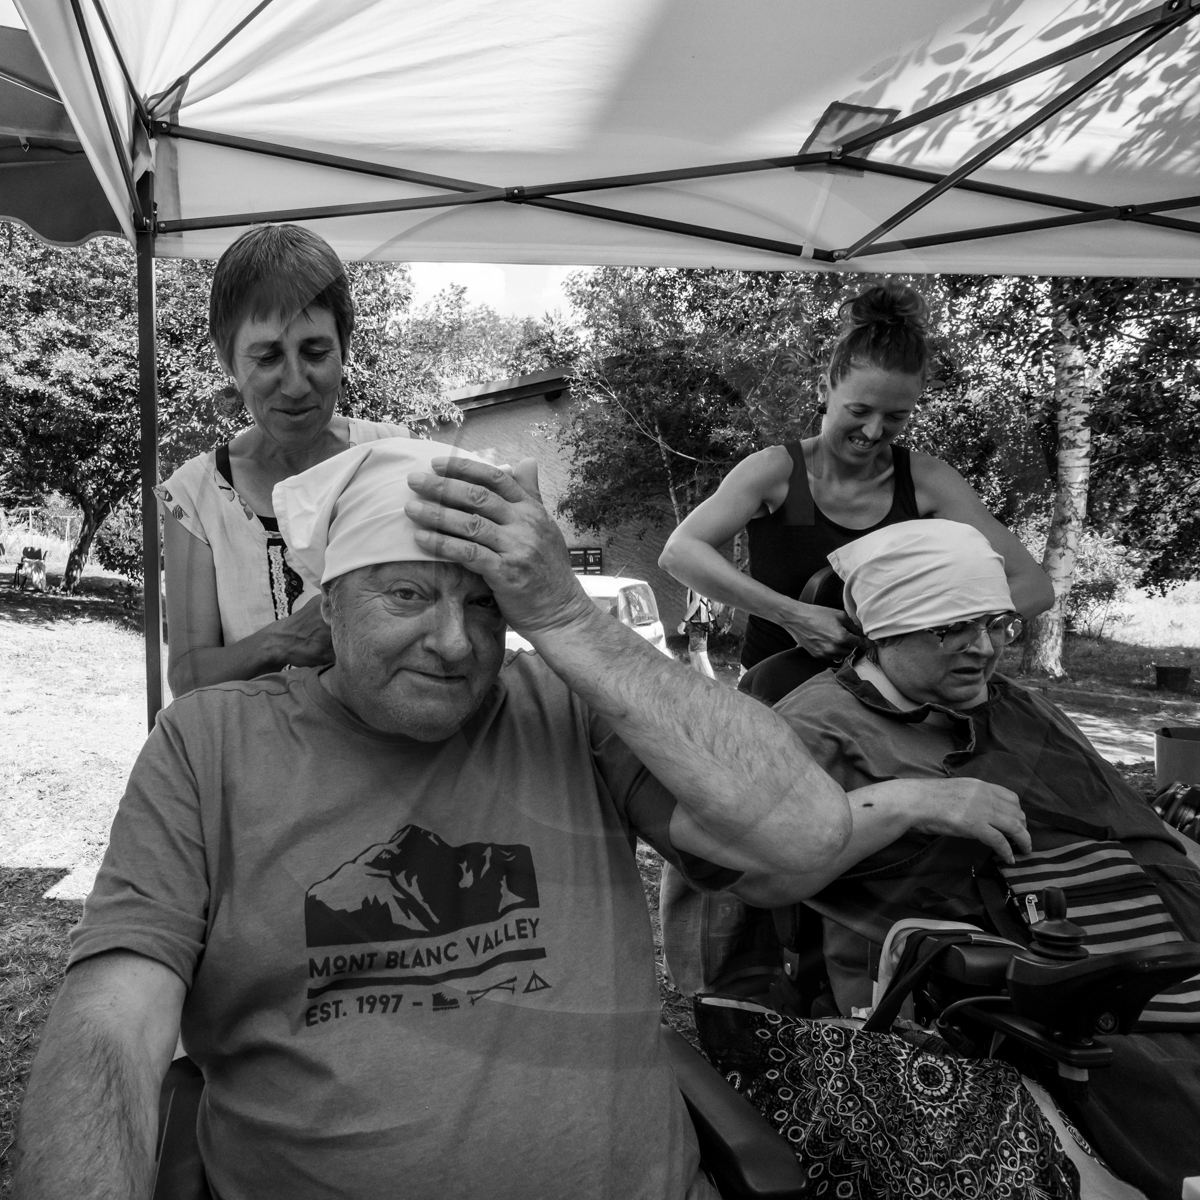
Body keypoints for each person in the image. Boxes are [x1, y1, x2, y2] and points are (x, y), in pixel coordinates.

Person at [17, 437, 1007, 1200]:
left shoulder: (567, 709)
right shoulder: (211, 745)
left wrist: (572, 621)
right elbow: (111, 1025)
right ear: (329, 604)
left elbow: (806, 834)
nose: (454, 643)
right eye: (408, 594)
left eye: (487, 604)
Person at [772, 518, 1200, 1200]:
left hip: (1134, 945)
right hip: (976, 999)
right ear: (884, 631)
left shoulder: (1018, 706)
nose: (984, 648)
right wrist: (909, 802)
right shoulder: (812, 727)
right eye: (951, 629)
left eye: (997, 623)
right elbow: (758, 873)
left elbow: (1130, 824)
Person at [658, 282, 1053, 698]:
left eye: (896, 416)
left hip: (893, 701)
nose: (873, 430)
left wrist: (927, 628)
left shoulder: (926, 480)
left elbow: (1033, 585)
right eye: (859, 410)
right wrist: (794, 616)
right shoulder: (778, 471)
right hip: (779, 693)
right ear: (824, 388)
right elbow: (680, 553)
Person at [155, 223, 409, 698]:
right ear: (228, 360)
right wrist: (288, 638)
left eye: (315, 352)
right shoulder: (194, 497)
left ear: (346, 345)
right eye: (267, 357)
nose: (295, 384)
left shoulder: (393, 457)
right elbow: (188, 678)